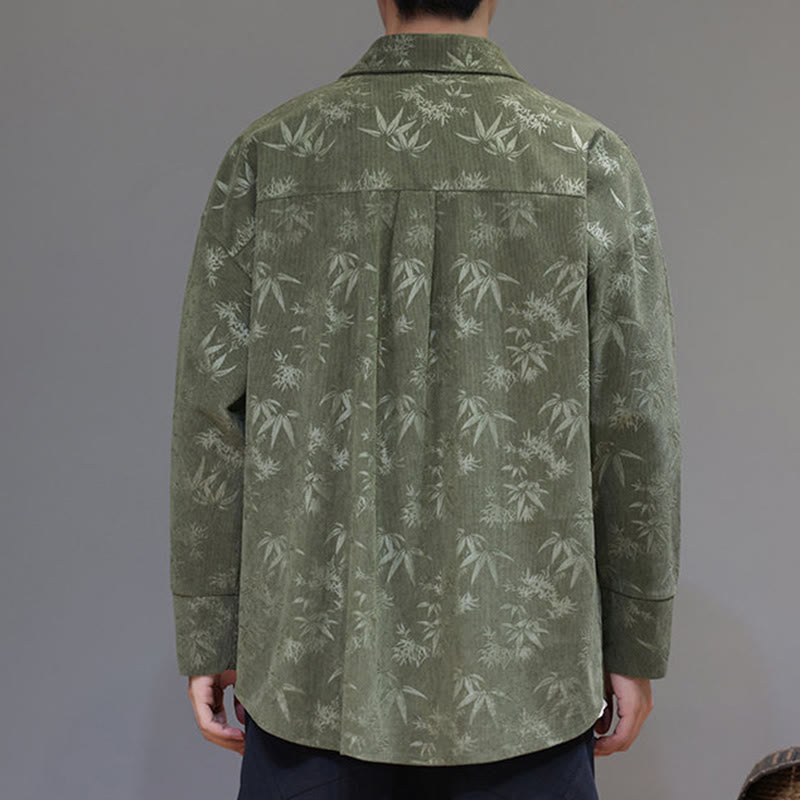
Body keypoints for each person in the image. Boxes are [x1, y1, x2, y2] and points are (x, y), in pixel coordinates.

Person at [168, 0, 681, 797]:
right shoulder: (584, 160)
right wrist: (635, 638)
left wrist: (212, 626)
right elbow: (635, 420)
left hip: (310, 675)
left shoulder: (271, 157)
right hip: (527, 683)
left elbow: (211, 416)